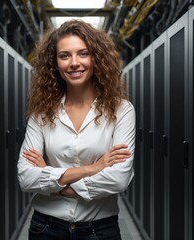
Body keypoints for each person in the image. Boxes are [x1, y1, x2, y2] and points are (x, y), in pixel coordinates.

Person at [17, 19, 135, 240]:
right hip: (46, 228)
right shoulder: (41, 113)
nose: (74, 63)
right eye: (64, 55)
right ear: (55, 63)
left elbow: (119, 178)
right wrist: (93, 168)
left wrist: (54, 183)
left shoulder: (121, 110)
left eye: (83, 53)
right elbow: (25, 176)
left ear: (96, 58)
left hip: (100, 230)